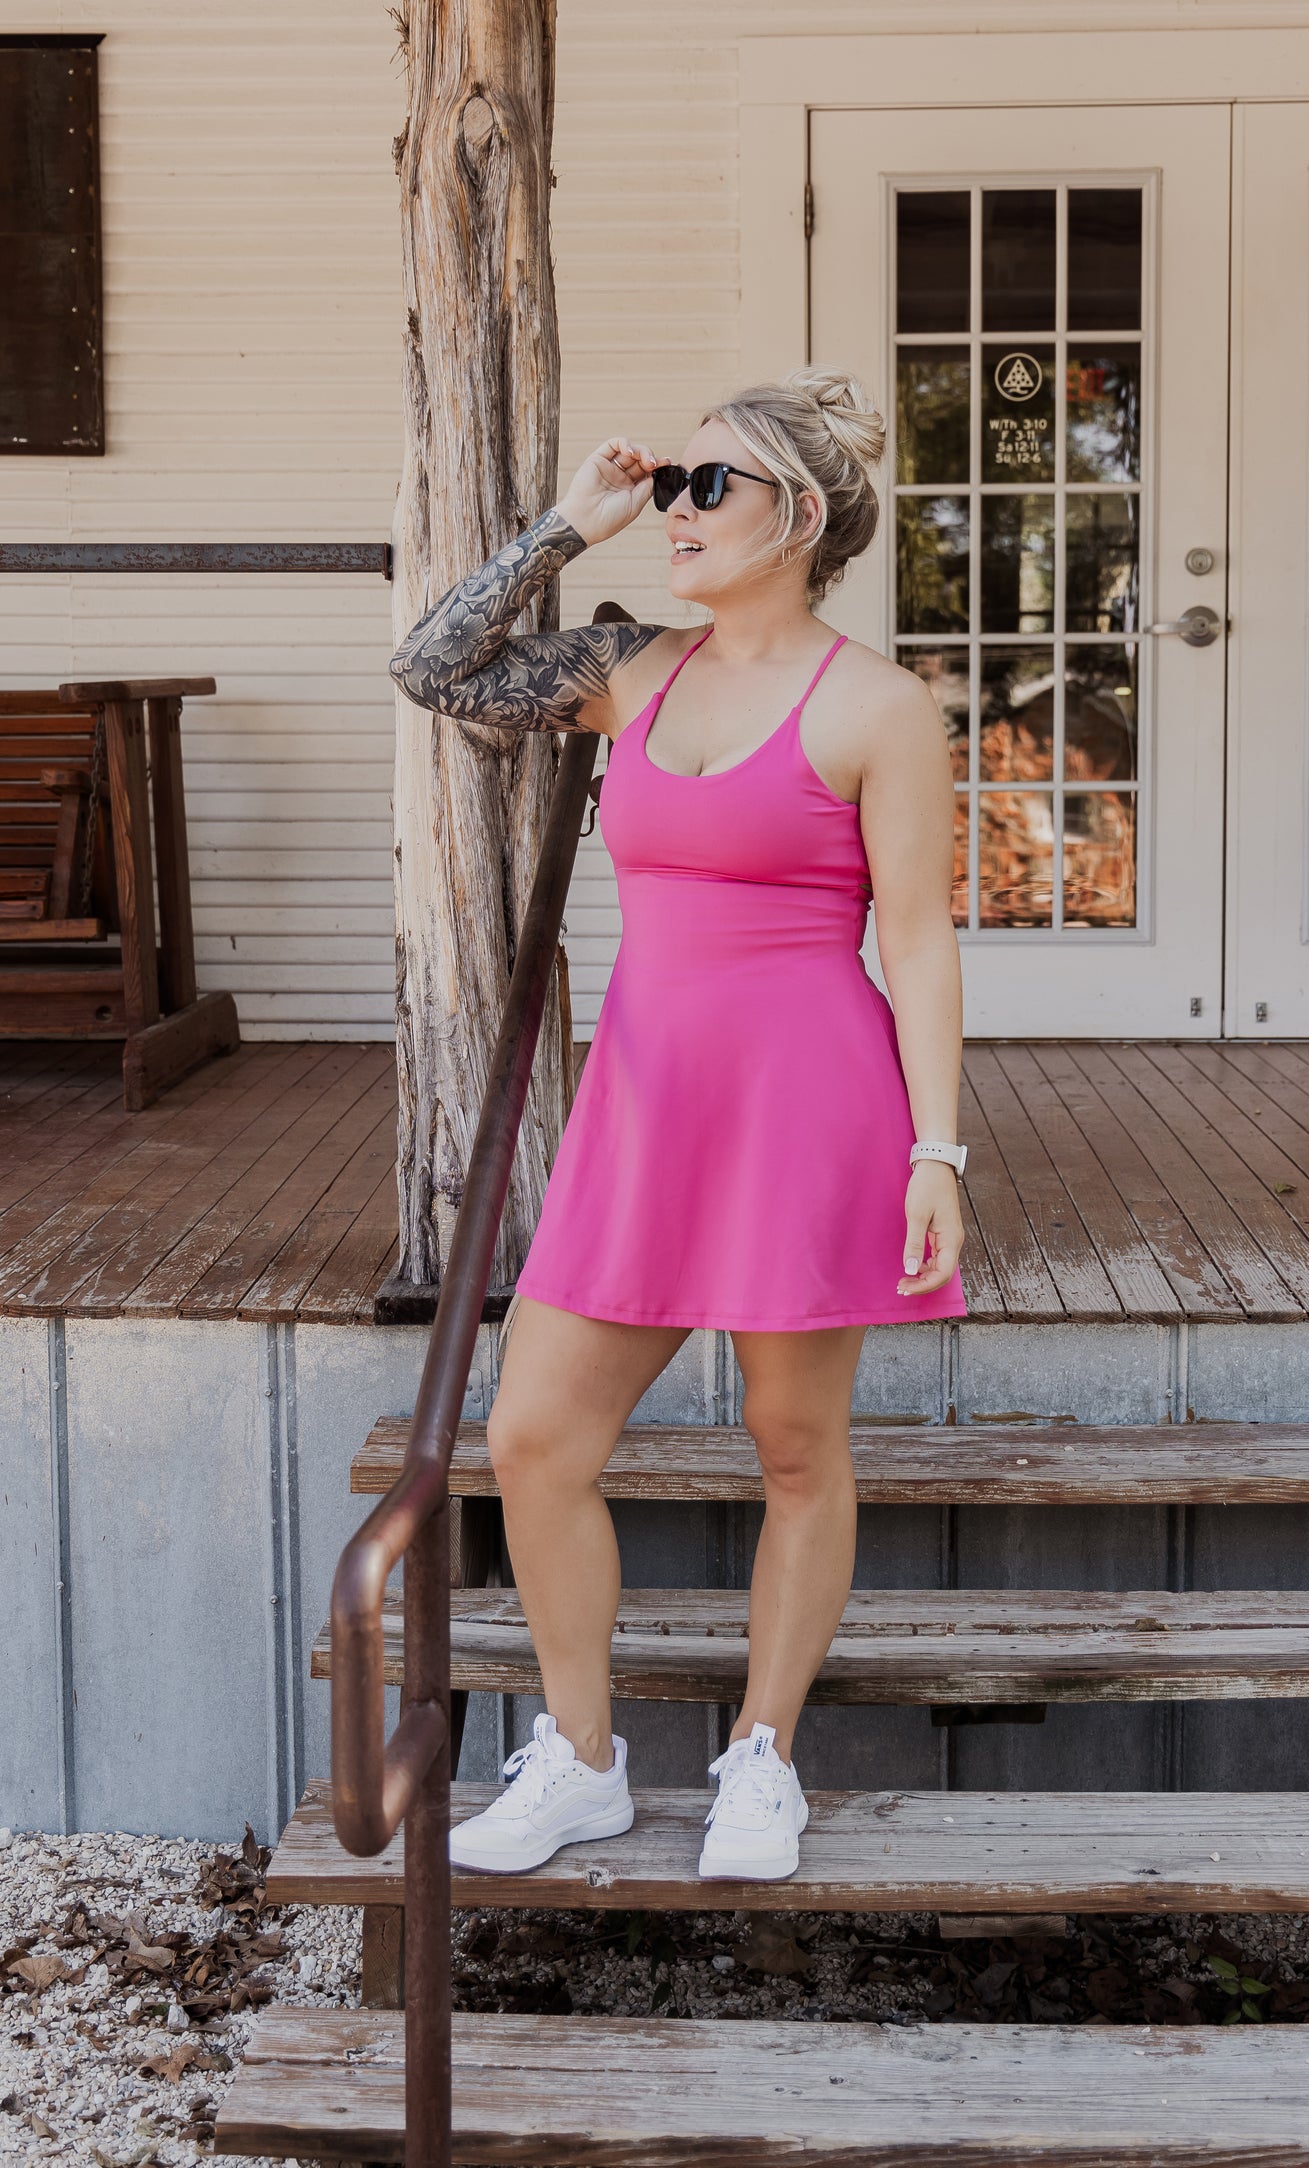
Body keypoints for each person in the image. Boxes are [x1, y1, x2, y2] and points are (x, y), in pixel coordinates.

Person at [389, 366, 968, 1883]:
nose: (677, 510)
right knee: (530, 1436)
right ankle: (579, 1757)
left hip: (806, 1109)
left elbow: (915, 945)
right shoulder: (629, 670)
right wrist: (565, 528)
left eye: (710, 486)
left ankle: (761, 1756)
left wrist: (936, 1150)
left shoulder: (879, 708)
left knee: (792, 1445)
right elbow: (433, 669)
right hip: (643, 1112)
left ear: (808, 514)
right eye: (673, 484)